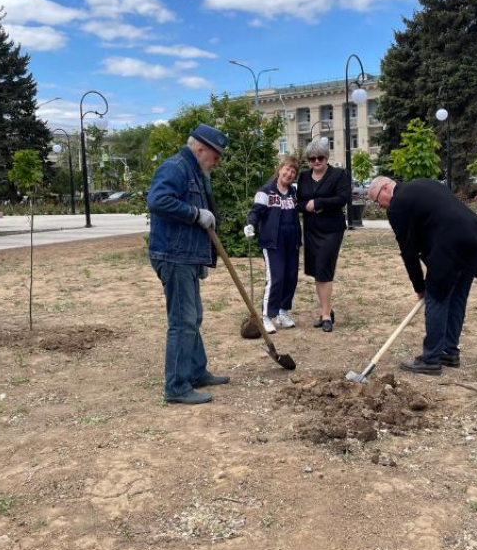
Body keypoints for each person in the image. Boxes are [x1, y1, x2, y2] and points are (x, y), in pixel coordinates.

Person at [367, 176, 477, 375]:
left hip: (451, 246)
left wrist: (420, 287)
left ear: (386, 188)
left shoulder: (397, 206)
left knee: (436, 298)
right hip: (474, 242)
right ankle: (449, 351)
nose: (379, 206)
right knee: (457, 298)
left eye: (376, 200)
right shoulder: (423, 183)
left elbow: (409, 252)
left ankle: (431, 359)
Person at [147, 124, 231, 405]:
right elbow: (157, 200)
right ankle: (176, 386)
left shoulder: (194, 171)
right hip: (173, 255)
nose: (216, 163)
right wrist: (195, 213)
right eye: (215, 156)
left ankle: (196, 372)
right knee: (182, 322)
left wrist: (201, 258)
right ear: (199, 149)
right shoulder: (176, 167)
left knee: (193, 318)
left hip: (185, 256)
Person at [296, 139, 351, 332]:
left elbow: (342, 198)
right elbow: (299, 203)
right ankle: (326, 309)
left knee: (324, 268)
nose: (316, 161)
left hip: (331, 230)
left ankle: (326, 316)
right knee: (316, 271)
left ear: (327, 157)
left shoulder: (338, 174)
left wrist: (318, 203)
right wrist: (308, 206)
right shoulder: (303, 177)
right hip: (311, 229)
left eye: (320, 157)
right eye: (312, 159)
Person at [244, 156, 302, 334]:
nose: (289, 173)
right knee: (275, 279)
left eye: (293, 171)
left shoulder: (293, 192)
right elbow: (256, 212)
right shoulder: (266, 191)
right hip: (272, 243)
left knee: (290, 278)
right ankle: (266, 316)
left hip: (291, 242)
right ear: (280, 169)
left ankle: (283, 312)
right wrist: (250, 224)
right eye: (287, 169)